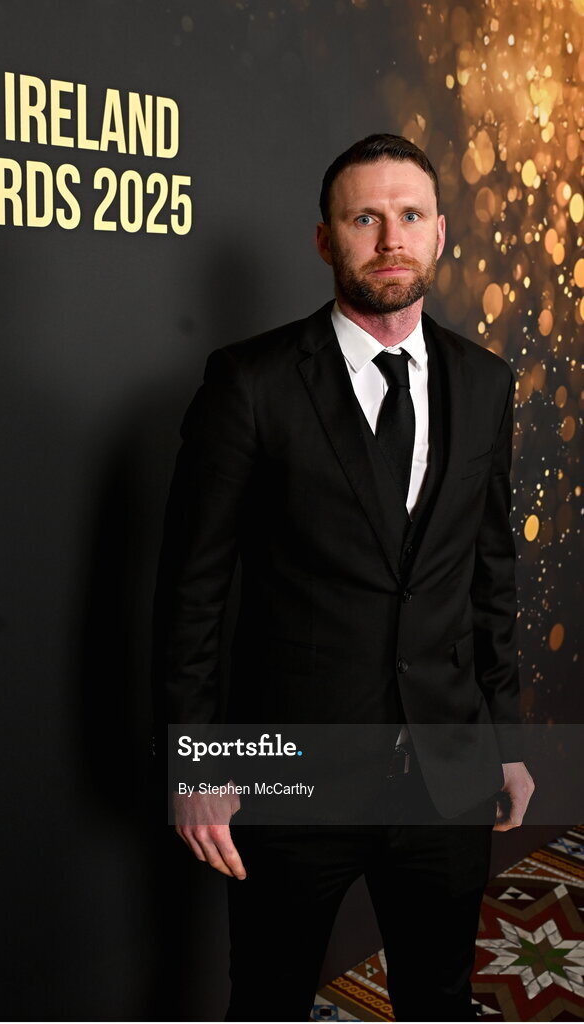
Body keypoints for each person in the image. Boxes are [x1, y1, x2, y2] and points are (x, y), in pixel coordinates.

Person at [152, 134, 534, 1022]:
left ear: (440, 234)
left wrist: (507, 738)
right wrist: (197, 759)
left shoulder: (486, 384)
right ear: (326, 240)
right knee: (271, 1001)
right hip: (292, 773)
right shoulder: (248, 384)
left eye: (408, 217)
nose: (388, 238)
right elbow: (192, 592)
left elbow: (491, 574)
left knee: (439, 998)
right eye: (364, 218)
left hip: (445, 769)